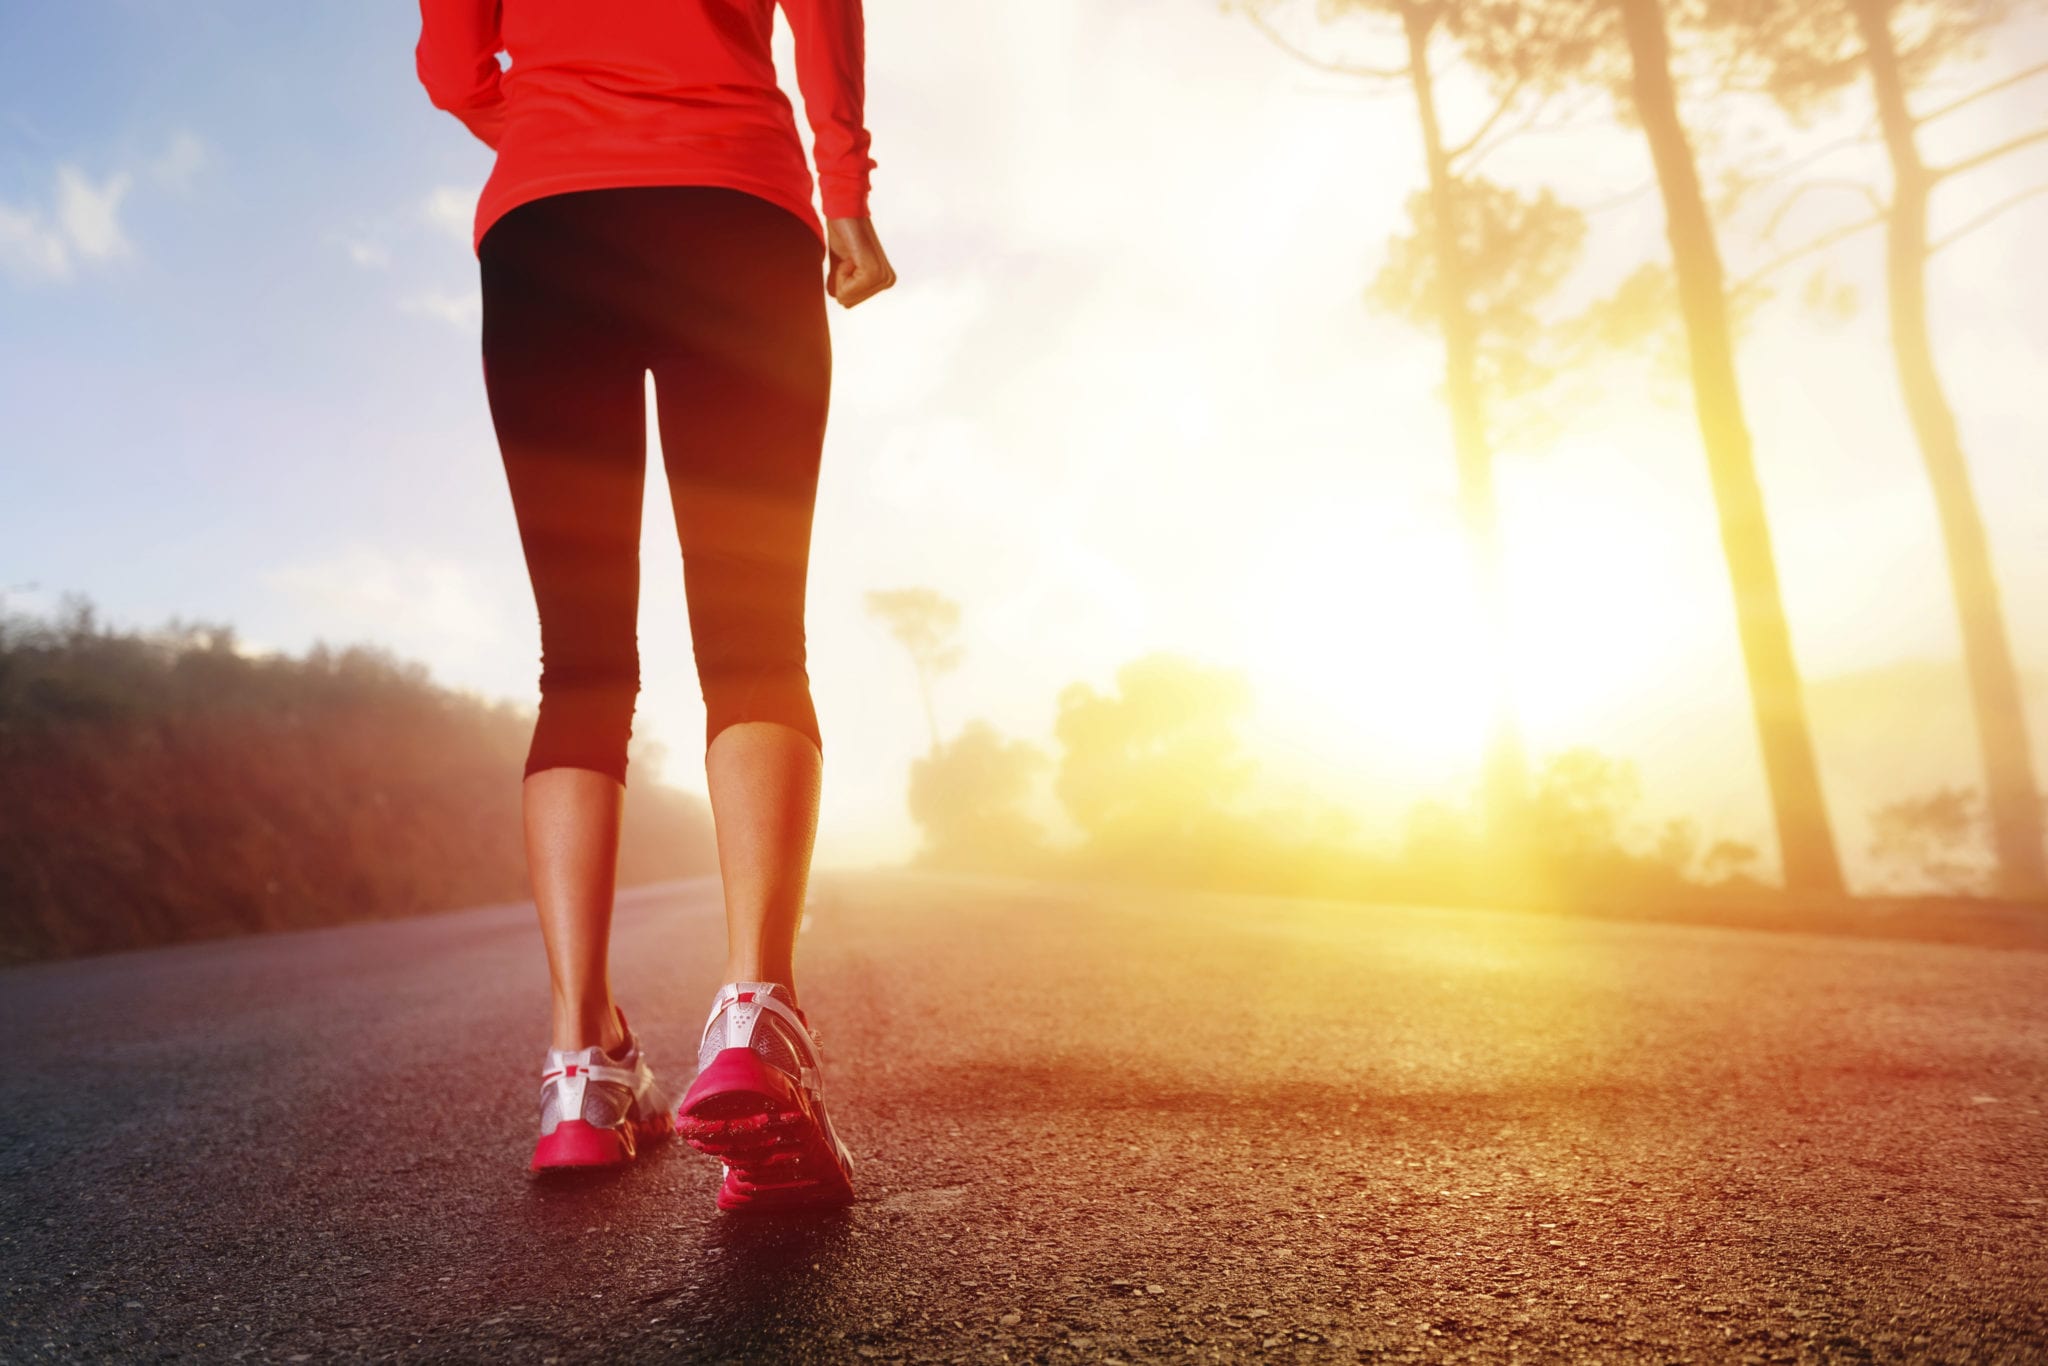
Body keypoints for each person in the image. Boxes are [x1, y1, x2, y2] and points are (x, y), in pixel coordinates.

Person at [415, 0, 893, 1208]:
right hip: (732, 199)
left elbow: (448, 62)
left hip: (545, 225)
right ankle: (752, 1017)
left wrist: (553, 130)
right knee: (752, 641)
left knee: (578, 667)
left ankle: (579, 1068)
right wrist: (845, 190)